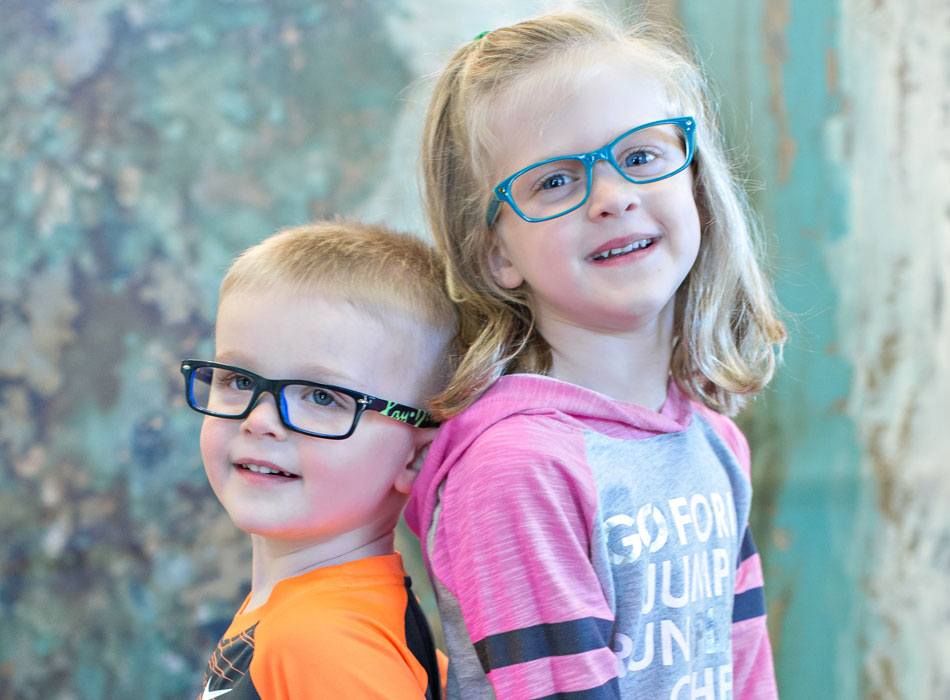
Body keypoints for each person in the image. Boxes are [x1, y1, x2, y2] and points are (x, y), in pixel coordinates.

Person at [405, 9, 786, 699]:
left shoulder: (713, 443)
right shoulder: (517, 471)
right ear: (496, 253)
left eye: (640, 156)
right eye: (555, 181)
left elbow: (746, 672)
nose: (612, 198)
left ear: (694, 181)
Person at [181, 220, 455, 699]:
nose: (260, 419)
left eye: (323, 397)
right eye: (240, 381)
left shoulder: (323, 643)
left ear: (417, 457)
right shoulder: (312, 615)